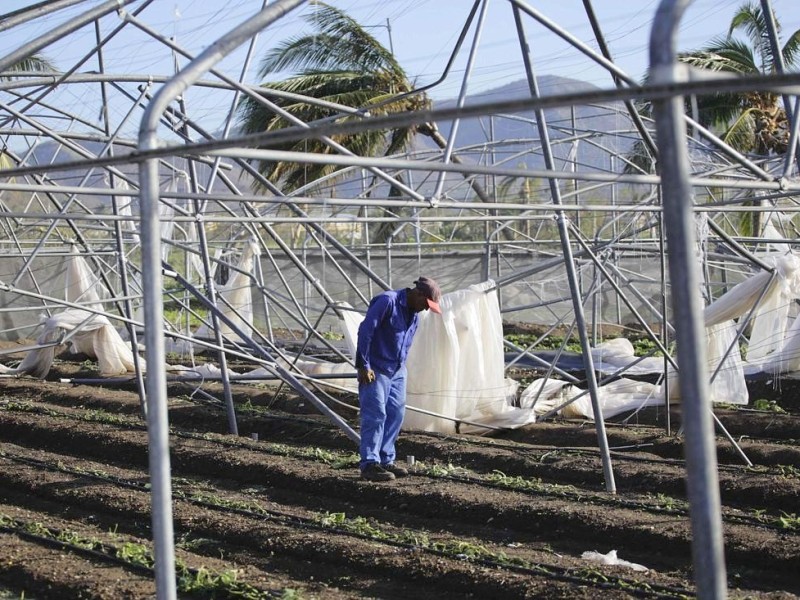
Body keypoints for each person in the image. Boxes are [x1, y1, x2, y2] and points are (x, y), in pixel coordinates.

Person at [355, 276, 442, 481]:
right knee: (376, 415)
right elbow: (365, 331)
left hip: (397, 370)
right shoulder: (388, 301)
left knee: (395, 414)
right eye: (426, 303)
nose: (426, 309)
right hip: (376, 368)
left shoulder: (414, 315)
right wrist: (363, 365)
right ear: (418, 293)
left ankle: (386, 460)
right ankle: (369, 463)